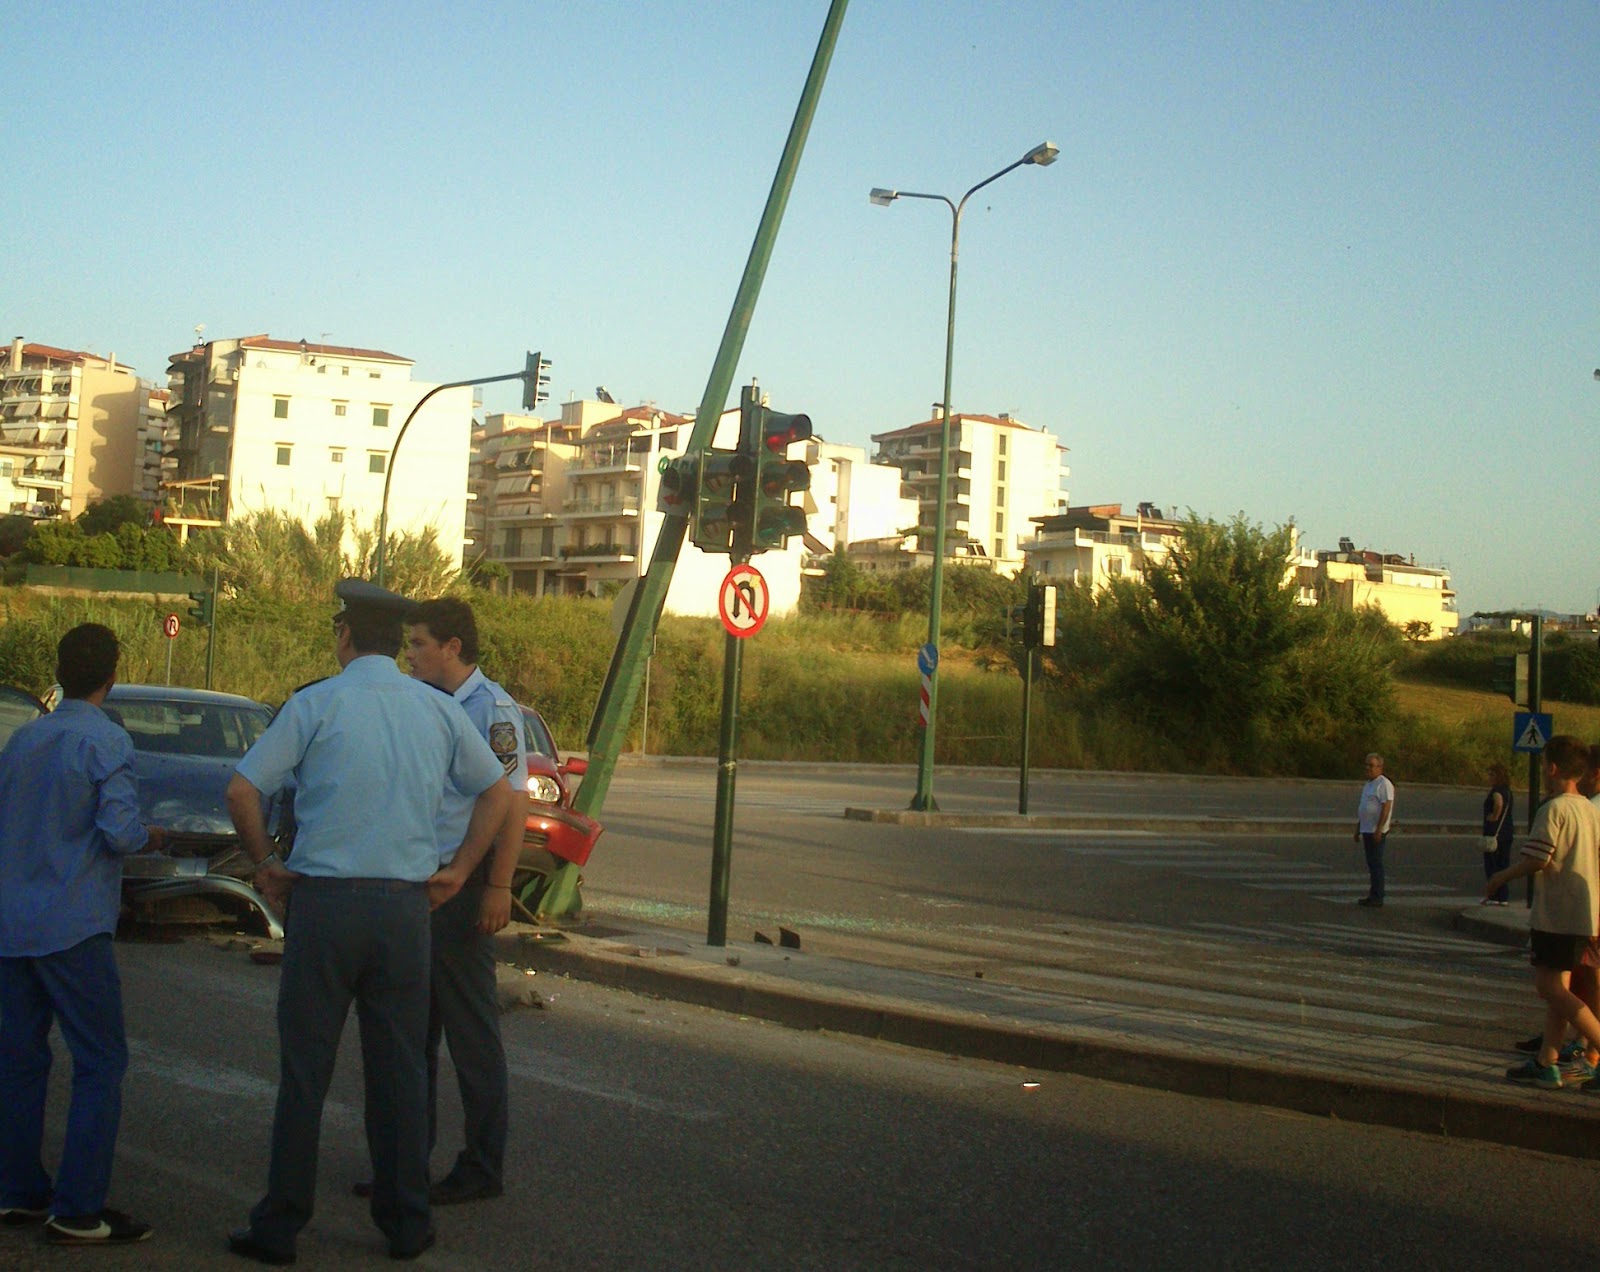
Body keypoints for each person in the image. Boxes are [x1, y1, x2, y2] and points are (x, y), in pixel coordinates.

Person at [222, 580, 512, 1265]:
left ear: (346, 637)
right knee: (401, 1071)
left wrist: (267, 863)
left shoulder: (316, 702)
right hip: (405, 909)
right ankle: (406, 1223)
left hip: (325, 904)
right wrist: (463, 871)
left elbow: (242, 788)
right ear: (396, 642)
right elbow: (498, 791)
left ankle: (281, 1225)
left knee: (305, 1072)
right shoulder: (436, 709)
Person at [0, 623, 166, 1246]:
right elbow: (119, 830)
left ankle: (16, 1190)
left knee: (18, 1062)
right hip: (72, 925)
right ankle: (77, 1207)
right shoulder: (107, 741)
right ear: (111, 675)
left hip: (12, 925)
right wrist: (152, 837)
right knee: (100, 1061)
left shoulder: (23, 740)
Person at [363, 596, 528, 1207]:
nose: (408, 654)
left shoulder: (492, 709)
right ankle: (406, 1165)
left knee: (470, 1034)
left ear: (452, 648)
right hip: (417, 880)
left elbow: (512, 803)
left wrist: (498, 886)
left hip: (462, 886)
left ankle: (482, 1165)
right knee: (410, 1034)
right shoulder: (423, 703)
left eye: (418, 643)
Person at [1489, 734, 1600, 1089]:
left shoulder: (1553, 809)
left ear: (1551, 768)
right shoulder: (1589, 808)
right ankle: (1546, 1061)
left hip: (1558, 914)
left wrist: (1500, 877)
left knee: (1549, 987)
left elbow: (1539, 858)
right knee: (1561, 990)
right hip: (1584, 913)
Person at [1353, 752, 1395, 907]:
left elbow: (1386, 807)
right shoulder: (1368, 784)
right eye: (1366, 765)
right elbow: (1364, 808)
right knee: (1371, 863)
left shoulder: (1384, 784)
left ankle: (1378, 896)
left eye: (1371, 765)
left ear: (1380, 767)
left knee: (1376, 863)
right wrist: (1358, 828)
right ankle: (1373, 894)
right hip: (1366, 829)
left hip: (1376, 830)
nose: (1368, 768)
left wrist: (1379, 828)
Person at [1480, 762, 1514, 906]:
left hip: (1494, 832)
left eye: (1492, 774)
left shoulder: (1496, 791)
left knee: (1492, 865)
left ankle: (1493, 896)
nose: (1489, 777)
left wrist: (1494, 816)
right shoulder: (1508, 792)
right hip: (1507, 831)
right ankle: (1503, 896)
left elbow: (1498, 803)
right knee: (1503, 865)